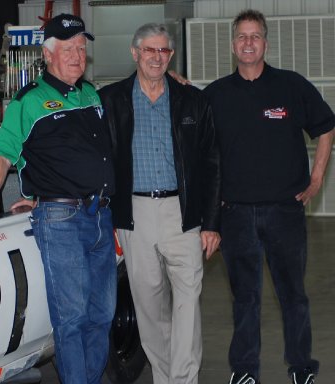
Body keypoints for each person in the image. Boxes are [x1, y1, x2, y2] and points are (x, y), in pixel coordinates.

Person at [0, 14, 116, 384]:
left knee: (102, 315)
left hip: (100, 218)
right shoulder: (27, 102)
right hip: (61, 220)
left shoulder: (91, 94)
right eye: (69, 49)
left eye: (82, 48)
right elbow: (1, 156)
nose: (78, 55)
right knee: (73, 318)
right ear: (48, 55)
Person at [202, 9, 335, 384]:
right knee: (245, 299)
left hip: (284, 212)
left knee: (293, 295)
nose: (248, 42)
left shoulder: (291, 86)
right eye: (242, 36)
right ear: (233, 45)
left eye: (255, 36)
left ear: (266, 43)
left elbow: (326, 126)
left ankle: (301, 368)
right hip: (236, 215)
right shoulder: (215, 95)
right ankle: (244, 372)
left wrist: (318, 176)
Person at [98, 23, 221, 384]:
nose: (156, 57)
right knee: (149, 310)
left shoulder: (192, 101)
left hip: (183, 215)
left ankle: (183, 379)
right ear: (135, 53)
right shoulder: (112, 100)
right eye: (149, 50)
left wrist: (211, 222)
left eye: (163, 51)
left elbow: (212, 163)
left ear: (171, 56)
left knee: (187, 306)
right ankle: (166, 377)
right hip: (134, 215)